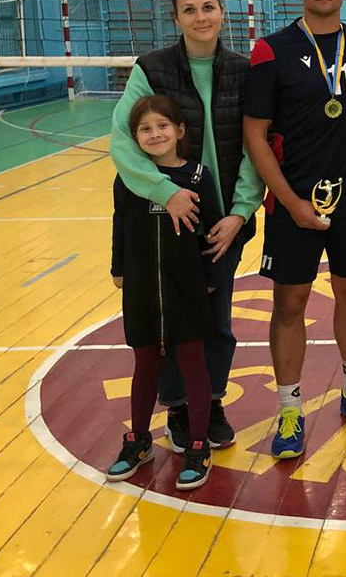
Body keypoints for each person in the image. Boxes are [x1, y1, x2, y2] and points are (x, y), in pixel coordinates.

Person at [242, 0, 346, 459]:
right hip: (293, 202)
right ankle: (289, 408)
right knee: (290, 304)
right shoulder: (271, 50)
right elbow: (255, 135)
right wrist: (290, 202)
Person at [109, 0, 263, 453]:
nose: (201, 17)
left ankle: (209, 402)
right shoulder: (151, 69)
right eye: (190, 9)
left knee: (215, 319)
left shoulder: (243, 70)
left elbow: (255, 147)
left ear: (222, 12)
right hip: (166, 216)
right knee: (170, 323)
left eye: (208, 7)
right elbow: (122, 141)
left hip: (223, 219)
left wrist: (240, 213)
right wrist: (166, 191)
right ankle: (177, 406)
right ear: (175, 18)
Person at [107, 95, 222, 491]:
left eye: (162, 126)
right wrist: (118, 269)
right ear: (134, 137)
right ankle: (139, 440)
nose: (154, 134)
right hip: (142, 290)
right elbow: (120, 225)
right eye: (145, 128)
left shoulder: (198, 177)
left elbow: (212, 231)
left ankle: (198, 445)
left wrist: (210, 276)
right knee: (145, 365)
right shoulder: (129, 178)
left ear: (179, 130)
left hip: (186, 290)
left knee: (193, 362)